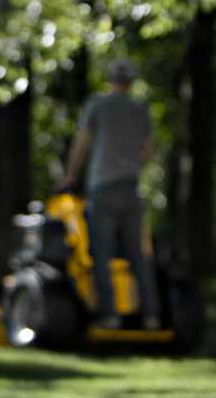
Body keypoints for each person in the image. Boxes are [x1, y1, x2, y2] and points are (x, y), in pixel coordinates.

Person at [60, 58, 161, 330]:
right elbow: (148, 150)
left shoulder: (98, 105)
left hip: (102, 187)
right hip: (131, 186)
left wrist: (70, 175)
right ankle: (150, 315)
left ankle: (109, 315)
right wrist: (133, 165)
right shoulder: (140, 110)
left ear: (110, 79)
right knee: (137, 255)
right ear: (132, 81)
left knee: (101, 255)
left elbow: (82, 143)